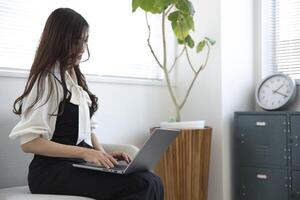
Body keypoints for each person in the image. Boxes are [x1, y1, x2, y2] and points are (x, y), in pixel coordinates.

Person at [9, 8, 164, 200]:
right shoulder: (46, 79)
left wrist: (102, 154)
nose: (82, 48)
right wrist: (84, 153)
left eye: (85, 41)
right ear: (59, 40)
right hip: (50, 172)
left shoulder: (73, 77)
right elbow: (30, 142)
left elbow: (86, 131)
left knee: (152, 180)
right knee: (144, 184)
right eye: (76, 42)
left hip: (75, 165)